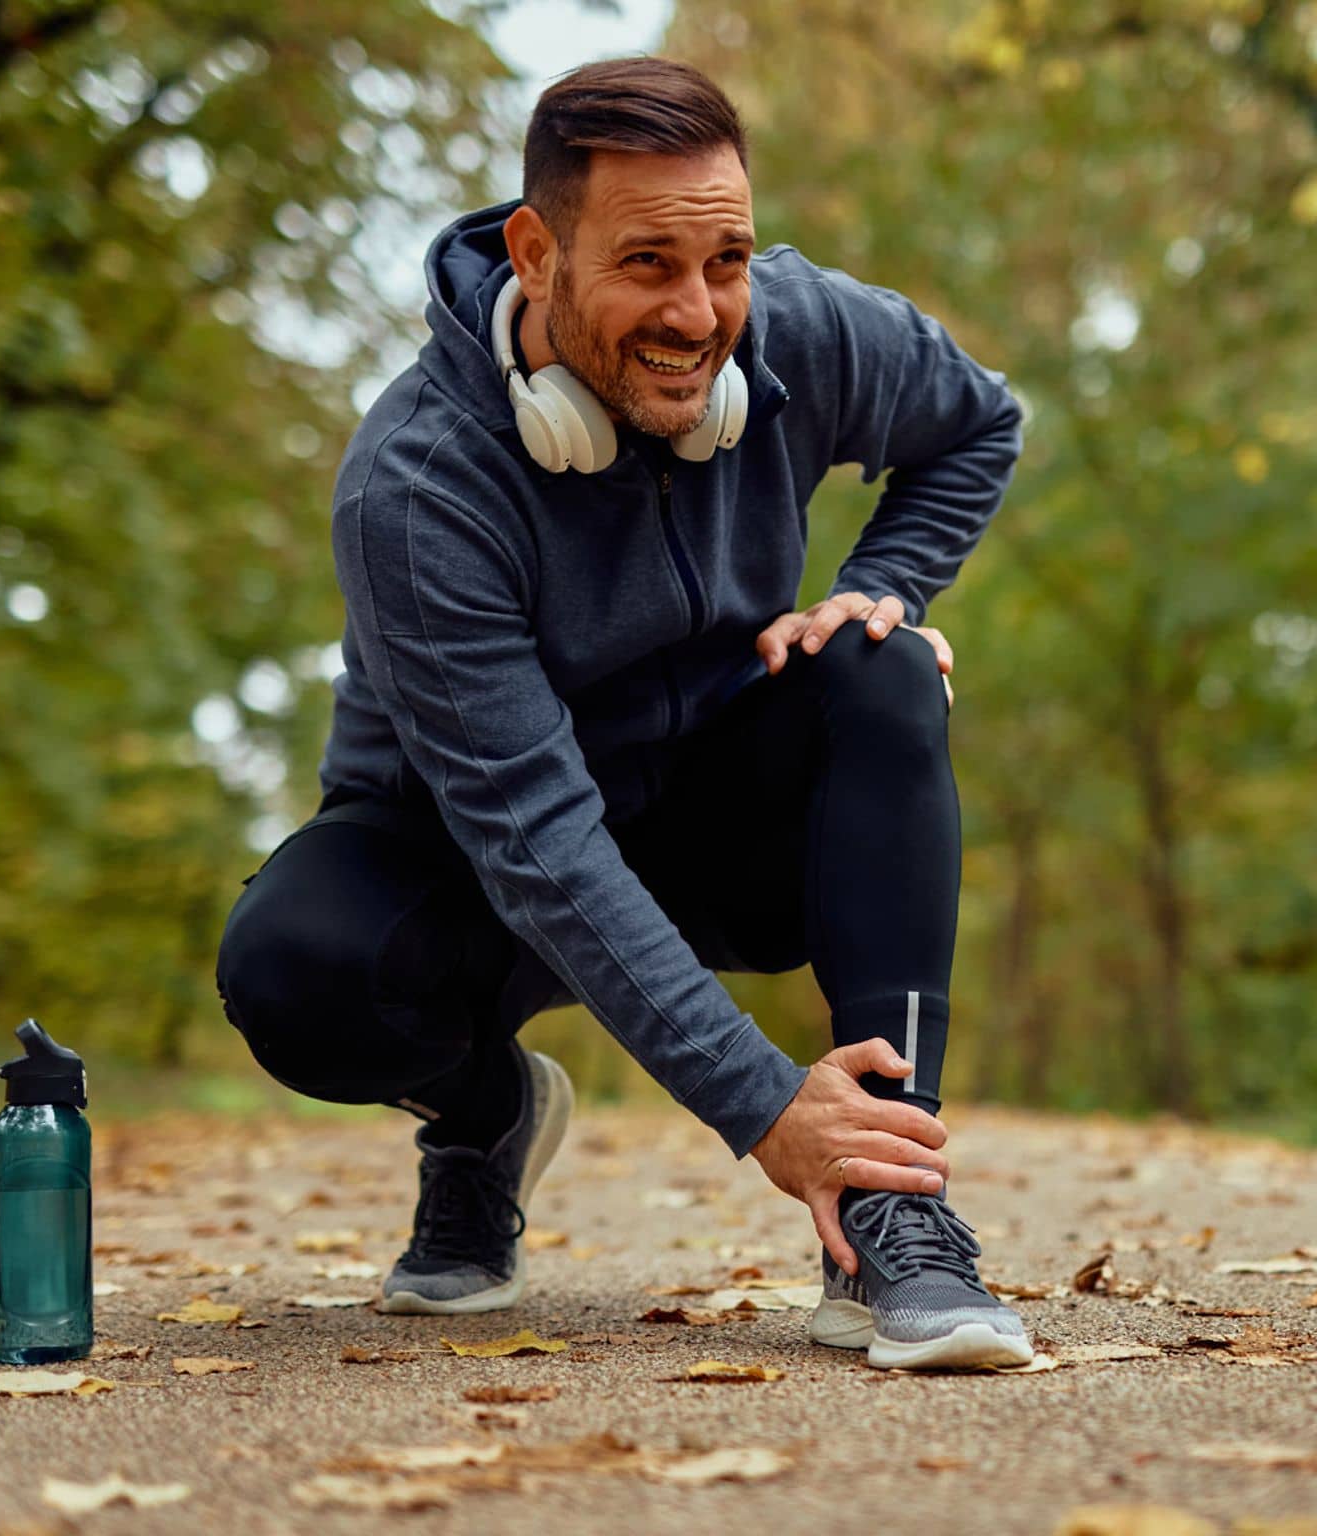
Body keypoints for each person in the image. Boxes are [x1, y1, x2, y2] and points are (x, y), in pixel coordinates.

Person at [214, 55, 1027, 1370]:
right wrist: (767, 1108)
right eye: (648, 264)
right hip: (467, 862)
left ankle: (890, 1206)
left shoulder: (802, 332)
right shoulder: (419, 487)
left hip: (710, 816)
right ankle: (481, 1114)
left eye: (726, 260)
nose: (700, 313)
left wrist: (876, 587)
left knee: (881, 662)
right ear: (536, 253)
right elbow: (534, 838)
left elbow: (978, 426)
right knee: (297, 969)